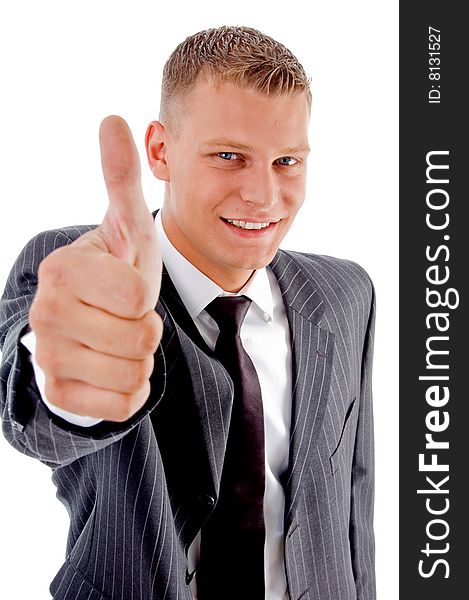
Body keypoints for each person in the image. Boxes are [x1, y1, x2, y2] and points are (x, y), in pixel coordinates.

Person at [0, 25, 376, 600]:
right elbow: (33, 418)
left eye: (287, 161)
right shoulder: (83, 270)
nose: (264, 196)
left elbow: (352, 499)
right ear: (160, 150)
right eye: (229, 156)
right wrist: (67, 387)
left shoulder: (346, 292)